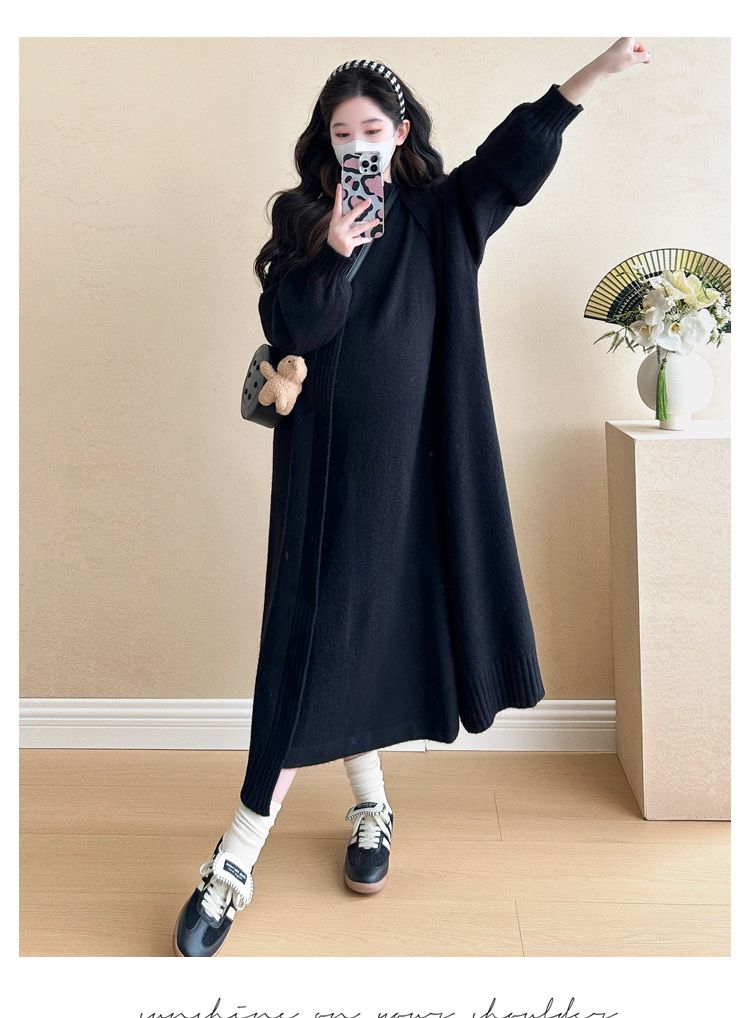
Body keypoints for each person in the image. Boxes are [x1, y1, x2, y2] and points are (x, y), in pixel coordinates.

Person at [173, 38, 651, 958]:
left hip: (418, 478)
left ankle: (367, 808)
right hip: (322, 476)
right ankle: (237, 858)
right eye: (341, 133)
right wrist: (334, 250)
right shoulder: (303, 221)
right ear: (326, 143)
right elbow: (293, 328)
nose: (357, 145)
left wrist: (590, 77)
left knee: (370, 638)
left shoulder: (442, 216)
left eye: (371, 131)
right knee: (310, 649)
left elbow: (512, 163)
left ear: (399, 135)